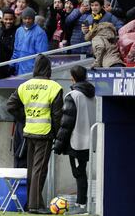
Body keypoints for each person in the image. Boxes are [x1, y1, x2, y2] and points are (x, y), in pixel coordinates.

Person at [6, 55, 63, 214]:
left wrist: (24, 118)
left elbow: (10, 105)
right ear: (49, 68)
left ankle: (33, 203)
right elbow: (58, 115)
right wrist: (56, 134)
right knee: (39, 170)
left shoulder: (25, 85)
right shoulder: (54, 87)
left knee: (32, 170)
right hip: (45, 134)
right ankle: (35, 206)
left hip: (29, 131)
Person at [53, 65, 96, 215]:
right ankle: (81, 204)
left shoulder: (73, 95)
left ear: (73, 77)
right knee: (81, 171)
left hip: (77, 141)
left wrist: (58, 144)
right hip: (89, 139)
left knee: (79, 173)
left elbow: (66, 123)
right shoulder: (91, 94)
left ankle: (81, 205)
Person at [11, 7, 48, 75]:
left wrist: (37, 69)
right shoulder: (19, 31)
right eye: (25, 18)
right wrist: (12, 64)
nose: (27, 21)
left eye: (29, 18)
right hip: (19, 68)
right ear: (22, 19)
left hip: (32, 69)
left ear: (33, 19)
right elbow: (16, 50)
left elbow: (41, 54)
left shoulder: (40, 33)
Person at [0, 8, 18, 79]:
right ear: (2, 19)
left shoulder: (18, 30)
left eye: (10, 19)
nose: (8, 21)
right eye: (6, 19)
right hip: (0, 64)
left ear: (14, 19)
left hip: (13, 63)